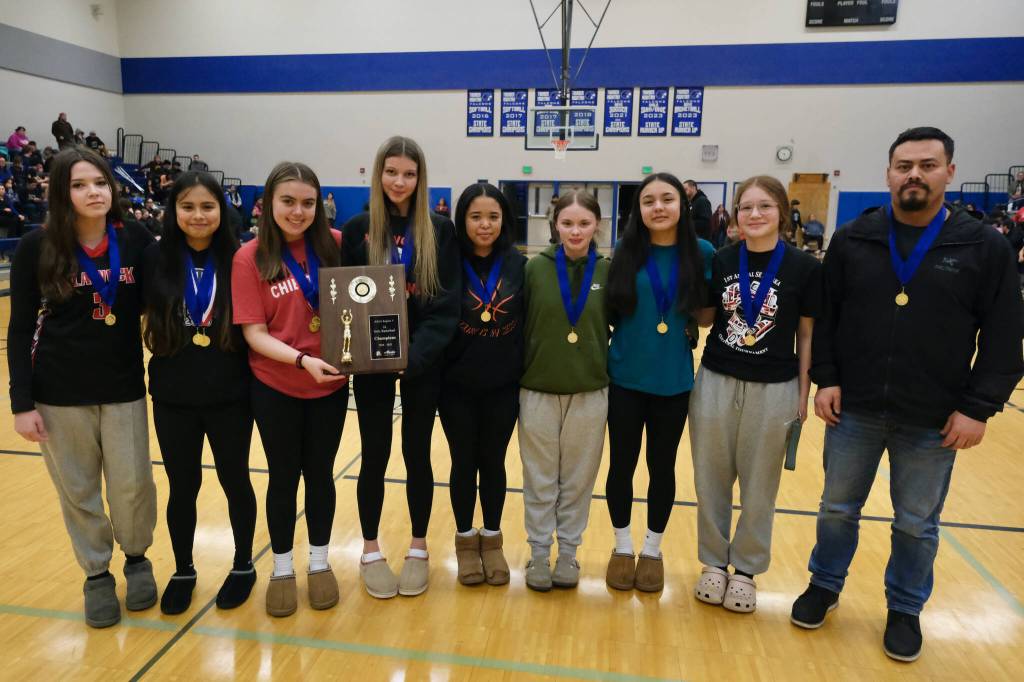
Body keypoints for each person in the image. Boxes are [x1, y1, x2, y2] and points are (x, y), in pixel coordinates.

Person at [792, 127, 1024, 662]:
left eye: (927, 164)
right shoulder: (855, 238)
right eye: (903, 165)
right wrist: (828, 377)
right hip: (856, 409)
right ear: (888, 174)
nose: (914, 174)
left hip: (934, 417)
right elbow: (827, 318)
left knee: (916, 524)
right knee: (835, 509)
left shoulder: (983, 246)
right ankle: (824, 585)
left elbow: (1005, 335)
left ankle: (904, 608)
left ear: (949, 171)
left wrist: (976, 407)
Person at [7, 147, 157, 628]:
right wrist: (21, 403)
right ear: (60, 193)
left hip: (123, 387)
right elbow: (19, 329)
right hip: (58, 393)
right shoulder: (38, 246)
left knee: (133, 485)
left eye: (99, 182)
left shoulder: (133, 238)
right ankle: (96, 574)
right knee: (78, 490)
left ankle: (137, 560)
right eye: (78, 184)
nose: (92, 192)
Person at [690, 175, 822, 614]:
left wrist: (803, 394)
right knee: (710, 479)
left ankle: (745, 569)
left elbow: (806, 335)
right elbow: (708, 319)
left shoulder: (804, 267)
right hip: (716, 380)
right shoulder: (724, 259)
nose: (755, 215)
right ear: (736, 215)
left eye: (764, 206)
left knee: (760, 485)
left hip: (776, 387)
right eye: (746, 207)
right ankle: (713, 562)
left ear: (781, 212)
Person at [340, 136, 460, 599]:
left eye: (409, 174)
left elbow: (445, 306)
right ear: (378, 174)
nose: (399, 182)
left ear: (420, 178)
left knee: (417, 455)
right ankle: (370, 548)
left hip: (422, 364)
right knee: (373, 454)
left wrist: (414, 357)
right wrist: (367, 355)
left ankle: (418, 547)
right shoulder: (356, 230)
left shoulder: (439, 230)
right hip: (371, 364)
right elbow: (345, 302)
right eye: (392, 172)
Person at [232, 162, 347, 617]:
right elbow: (254, 334)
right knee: (283, 478)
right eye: (288, 201)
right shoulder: (250, 257)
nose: (298, 211)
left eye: (307, 203)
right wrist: (302, 359)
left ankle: (319, 563)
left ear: (319, 206)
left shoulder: (337, 246)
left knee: (320, 475)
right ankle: (282, 568)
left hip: (331, 387)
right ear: (267, 204)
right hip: (276, 385)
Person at [143, 171, 257, 615]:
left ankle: (244, 564)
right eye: (187, 207)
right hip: (173, 393)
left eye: (207, 206)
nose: (197, 215)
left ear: (221, 210)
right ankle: (184, 569)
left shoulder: (243, 257)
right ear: (173, 211)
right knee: (182, 485)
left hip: (231, 391)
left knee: (235, 481)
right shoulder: (155, 257)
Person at [604, 173, 712, 593]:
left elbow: (706, 314)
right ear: (638, 211)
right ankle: (621, 546)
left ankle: (652, 549)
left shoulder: (701, 252)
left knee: (661, 467)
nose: (659, 207)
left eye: (667, 198)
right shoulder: (626, 250)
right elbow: (614, 311)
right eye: (648, 201)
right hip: (626, 378)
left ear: (682, 204)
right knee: (621, 466)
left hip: (673, 382)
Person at [519, 190, 611, 592]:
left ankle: (569, 551)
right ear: (554, 225)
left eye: (584, 223)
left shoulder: (608, 271)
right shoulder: (533, 270)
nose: (576, 231)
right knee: (539, 478)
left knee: (577, 481)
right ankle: (539, 552)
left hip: (590, 392)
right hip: (537, 388)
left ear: (597, 226)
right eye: (568, 223)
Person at [439, 183, 526, 587]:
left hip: (502, 385)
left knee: (493, 463)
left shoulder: (517, 264)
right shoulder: (446, 260)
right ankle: (464, 540)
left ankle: (491, 540)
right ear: (462, 220)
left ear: (504, 220)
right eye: (476, 217)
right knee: (463, 463)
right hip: (455, 385)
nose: (485, 225)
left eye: (493, 216)